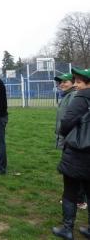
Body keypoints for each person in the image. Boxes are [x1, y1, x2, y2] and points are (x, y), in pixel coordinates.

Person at [52, 67, 90, 240]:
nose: (77, 85)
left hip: (77, 153)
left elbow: (66, 124)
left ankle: (67, 229)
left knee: (70, 191)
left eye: (79, 82)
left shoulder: (81, 97)